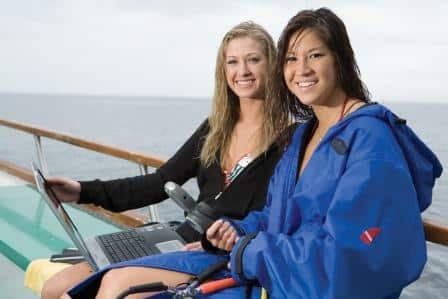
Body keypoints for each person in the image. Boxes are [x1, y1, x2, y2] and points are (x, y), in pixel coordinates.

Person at [65, 8, 443, 299]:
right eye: (292, 59)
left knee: (124, 289)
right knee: (111, 280)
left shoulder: (369, 140)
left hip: (293, 282)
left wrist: (249, 246)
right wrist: (239, 230)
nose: (302, 69)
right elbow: (277, 214)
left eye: (315, 56)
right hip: (269, 264)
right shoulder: (306, 135)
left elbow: (346, 256)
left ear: (340, 59)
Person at [41, 21, 290, 299]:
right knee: (54, 288)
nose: (242, 71)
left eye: (253, 60)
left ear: (272, 65)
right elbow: (160, 182)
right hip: (181, 237)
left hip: (222, 254)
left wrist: (234, 241)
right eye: (232, 62)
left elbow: (283, 215)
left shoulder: (288, 140)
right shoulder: (214, 129)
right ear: (223, 70)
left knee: (116, 290)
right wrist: (81, 191)